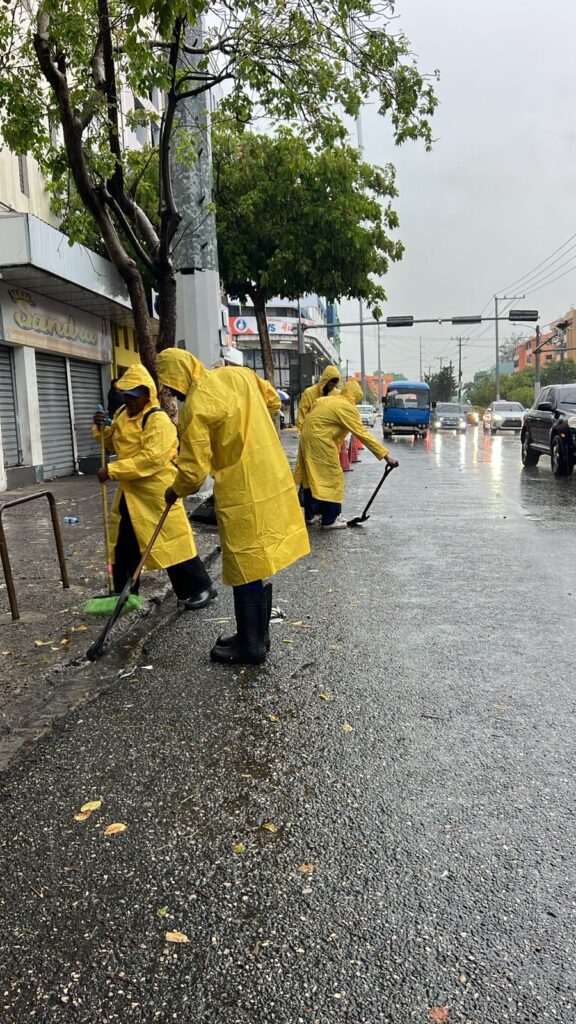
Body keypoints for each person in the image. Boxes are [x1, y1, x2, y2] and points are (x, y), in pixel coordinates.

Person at [157, 348, 310, 666]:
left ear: (177, 377)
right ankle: (255, 634)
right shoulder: (238, 375)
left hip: (241, 489)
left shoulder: (194, 409)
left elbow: (194, 472)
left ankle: (251, 645)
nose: (172, 392)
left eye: (170, 385)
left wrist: (175, 491)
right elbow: (273, 400)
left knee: (245, 564)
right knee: (259, 560)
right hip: (271, 475)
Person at [93, 363, 216, 609]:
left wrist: (113, 470)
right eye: (126, 395)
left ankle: (200, 588)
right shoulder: (121, 416)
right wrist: (101, 427)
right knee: (124, 542)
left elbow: (151, 458)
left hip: (158, 492)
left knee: (172, 542)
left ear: (147, 394)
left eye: (134, 396)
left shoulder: (158, 420)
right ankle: (123, 592)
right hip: (130, 493)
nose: (129, 401)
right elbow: (111, 443)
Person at [295, 379, 399, 529]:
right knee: (332, 477)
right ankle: (330, 520)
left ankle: (311, 515)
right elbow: (362, 433)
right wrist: (386, 456)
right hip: (321, 442)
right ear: (355, 397)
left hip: (306, 439)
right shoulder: (347, 407)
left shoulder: (325, 399)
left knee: (311, 476)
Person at [296, 364, 340, 431]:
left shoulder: (338, 394)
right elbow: (302, 413)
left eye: (334, 385)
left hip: (330, 433)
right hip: (311, 431)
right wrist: (301, 431)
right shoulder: (309, 393)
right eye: (330, 384)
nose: (332, 387)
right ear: (325, 381)